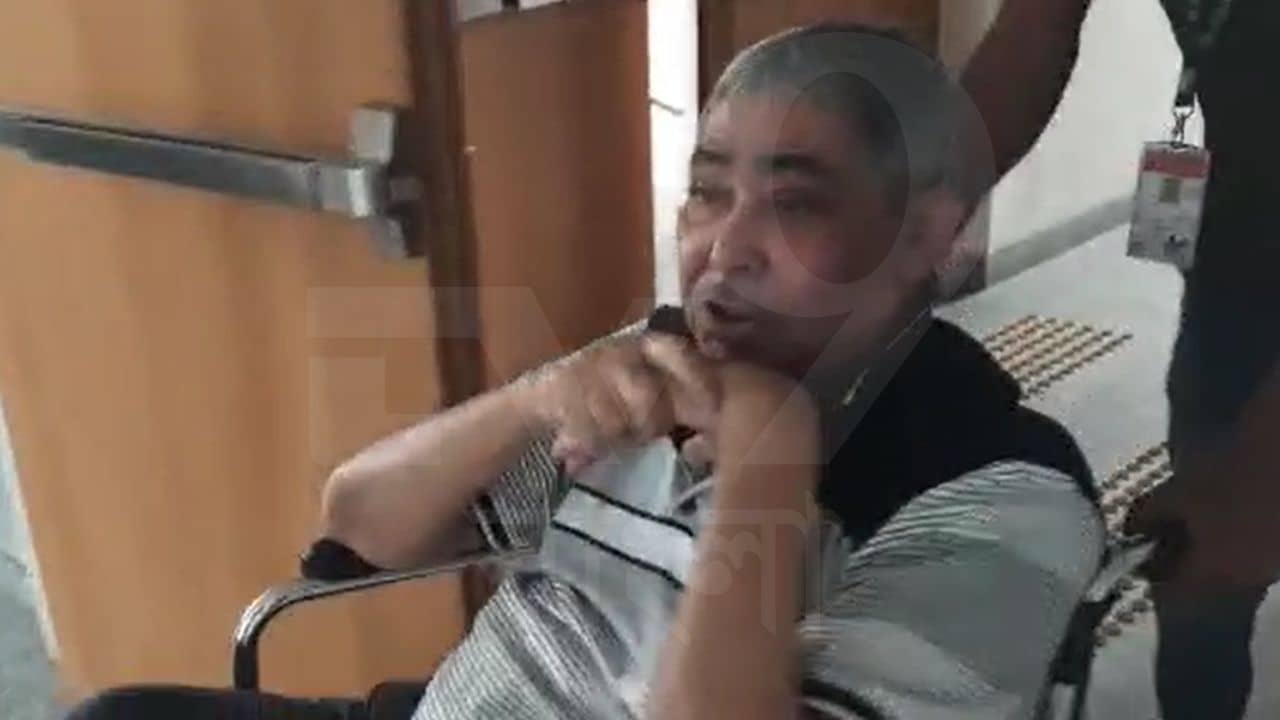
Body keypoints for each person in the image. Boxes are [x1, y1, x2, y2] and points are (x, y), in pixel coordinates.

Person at [70, 25, 1103, 720]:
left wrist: (765, 464)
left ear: (924, 235)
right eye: (706, 193)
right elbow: (358, 530)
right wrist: (530, 402)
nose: (722, 250)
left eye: (795, 204)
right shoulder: (655, 366)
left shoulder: (1000, 491)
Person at [948, 1, 1280, 718]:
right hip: (1239, 257)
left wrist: (1261, 472)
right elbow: (1034, 28)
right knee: (1201, 562)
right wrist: (897, 222)